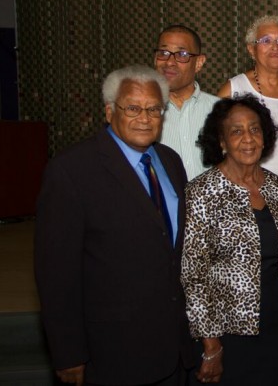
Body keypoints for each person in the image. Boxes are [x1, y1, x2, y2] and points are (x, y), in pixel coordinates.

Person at [35, 66, 193, 385]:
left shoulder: (170, 161)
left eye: (153, 109)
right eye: (132, 108)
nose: (145, 117)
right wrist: (68, 353)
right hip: (113, 352)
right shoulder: (71, 172)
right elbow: (56, 273)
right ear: (109, 112)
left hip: (174, 347)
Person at [181, 95, 278, 385]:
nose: (248, 138)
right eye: (236, 131)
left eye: (255, 129)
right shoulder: (202, 193)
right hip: (224, 336)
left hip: (275, 328)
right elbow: (193, 276)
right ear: (221, 140)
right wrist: (211, 346)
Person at [217, 15, 278, 200]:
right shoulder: (233, 90)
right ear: (251, 49)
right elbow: (215, 149)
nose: (275, 47)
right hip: (248, 204)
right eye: (266, 40)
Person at [155, 24, 219, 180]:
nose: (169, 62)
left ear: (199, 62)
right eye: (163, 53)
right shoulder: (142, 114)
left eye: (182, 54)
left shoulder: (220, 111)